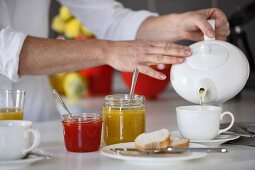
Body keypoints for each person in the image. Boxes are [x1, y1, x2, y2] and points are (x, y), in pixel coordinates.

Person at [0, 0, 229, 121]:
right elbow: (6, 50)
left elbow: (112, 21)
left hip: (40, 123)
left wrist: (179, 24)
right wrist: (106, 51)